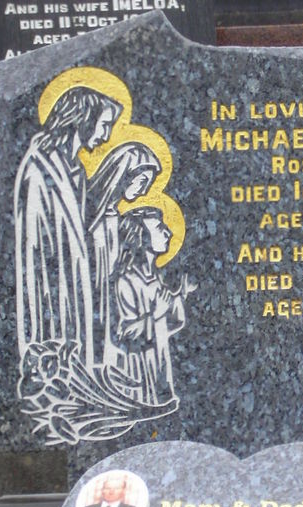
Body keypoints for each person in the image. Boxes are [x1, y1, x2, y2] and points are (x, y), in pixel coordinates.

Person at [14, 86, 122, 368]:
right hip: (51, 287)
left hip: (74, 281)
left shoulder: (75, 170)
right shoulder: (39, 169)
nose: (106, 135)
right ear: (83, 119)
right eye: (104, 125)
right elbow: (37, 244)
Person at [87, 142, 162, 366]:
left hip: (113, 301)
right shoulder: (92, 217)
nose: (143, 191)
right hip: (96, 297)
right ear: (123, 174)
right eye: (142, 181)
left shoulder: (115, 217)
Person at [113, 207, 194, 405]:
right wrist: (155, 314)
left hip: (159, 363)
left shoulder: (156, 279)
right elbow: (124, 335)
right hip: (139, 368)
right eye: (160, 228)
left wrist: (179, 297)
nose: (168, 233)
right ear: (141, 238)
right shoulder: (126, 281)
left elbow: (172, 323)